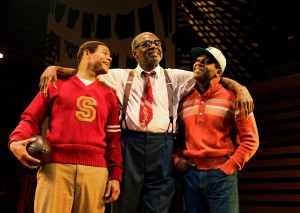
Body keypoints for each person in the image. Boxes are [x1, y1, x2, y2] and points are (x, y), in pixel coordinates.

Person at [39, 32, 254, 213]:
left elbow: (210, 75)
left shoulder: (176, 76)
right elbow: (85, 72)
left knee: (158, 205)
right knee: (124, 204)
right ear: (134, 53)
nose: (154, 46)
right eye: (146, 43)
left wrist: (240, 88)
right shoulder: (119, 76)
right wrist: (56, 69)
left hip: (162, 145)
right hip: (130, 144)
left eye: (157, 43)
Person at [8, 41, 123, 213]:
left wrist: (115, 176)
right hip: (55, 168)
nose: (109, 57)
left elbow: (114, 141)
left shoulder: (110, 95)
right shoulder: (56, 83)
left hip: (96, 172)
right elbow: (30, 118)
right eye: (104, 52)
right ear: (86, 53)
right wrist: (15, 141)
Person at [173, 46, 259, 213]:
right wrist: (178, 161)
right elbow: (181, 140)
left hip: (221, 176)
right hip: (191, 175)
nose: (199, 63)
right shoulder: (184, 101)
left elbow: (251, 140)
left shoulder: (234, 98)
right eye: (198, 60)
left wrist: (227, 168)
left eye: (207, 62)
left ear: (218, 73)